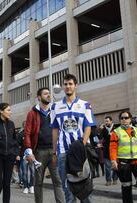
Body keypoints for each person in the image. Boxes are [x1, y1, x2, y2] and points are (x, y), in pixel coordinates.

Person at [51, 74, 96, 203]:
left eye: (70, 84)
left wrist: (81, 145)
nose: (68, 86)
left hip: (80, 152)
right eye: (65, 84)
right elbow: (55, 129)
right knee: (68, 190)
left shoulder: (85, 105)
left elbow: (88, 126)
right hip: (63, 152)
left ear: (75, 85)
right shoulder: (56, 106)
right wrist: (54, 152)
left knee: (85, 187)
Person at [24, 87, 64, 202]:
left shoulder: (55, 110)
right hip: (39, 152)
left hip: (54, 151)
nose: (48, 95)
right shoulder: (32, 113)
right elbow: (27, 133)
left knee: (58, 181)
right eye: (45, 94)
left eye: (49, 93)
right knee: (38, 182)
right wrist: (29, 151)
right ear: (39, 97)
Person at [110, 111, 137, 203]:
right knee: (126, 187)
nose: (124, 120)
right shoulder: (116, 132)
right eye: (122, 118)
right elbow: (113, 148)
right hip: (124, 163)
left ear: (130, 118)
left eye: (126, 118)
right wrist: (113, 161)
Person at [99, 116, 119, 186]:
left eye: (107, 121)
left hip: (115, 150)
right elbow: (100, 137)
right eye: (105, 121)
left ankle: (115, 179)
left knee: (115, 166)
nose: (106, 122)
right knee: (107, 167)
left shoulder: (116, 128)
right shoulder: (104, 129)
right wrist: (100, 130)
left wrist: (112, 134)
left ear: (111, 121)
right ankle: (108, 180)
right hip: (106, 150)